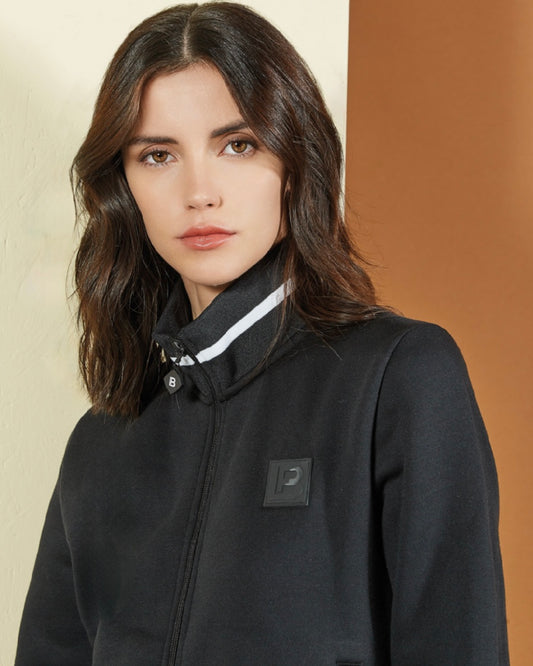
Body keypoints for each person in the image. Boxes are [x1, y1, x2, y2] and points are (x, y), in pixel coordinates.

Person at [16, 3, 509, 664]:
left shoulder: (400, 377)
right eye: (158, 155)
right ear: (123, 186)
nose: (200, 192)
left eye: (238, 145)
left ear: (295, 158)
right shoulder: (100, 444)